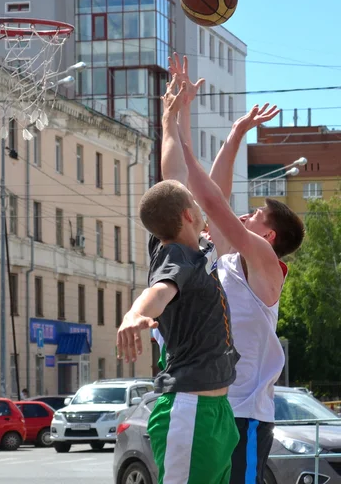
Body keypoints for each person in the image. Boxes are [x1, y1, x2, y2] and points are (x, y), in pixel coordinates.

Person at [117, 77, 292, 484]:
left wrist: (175, 120)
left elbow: (202, 192)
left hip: (221, 407)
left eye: (253, 218)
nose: (236, 216)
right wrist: (135, 313)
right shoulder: (181, 254)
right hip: (196, 402)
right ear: (187, 218)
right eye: (196, 206)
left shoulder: (214, 254)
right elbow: (159, 290)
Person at [166, 53, 305, 484]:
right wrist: (229, 132)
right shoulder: (225, 257)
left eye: (254, 217)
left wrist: (183, 135)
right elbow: (199, 194)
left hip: (244, 412)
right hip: (209, 402)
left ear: (270, 237)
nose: (242, 217)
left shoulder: (265, 265)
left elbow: (212, 202)